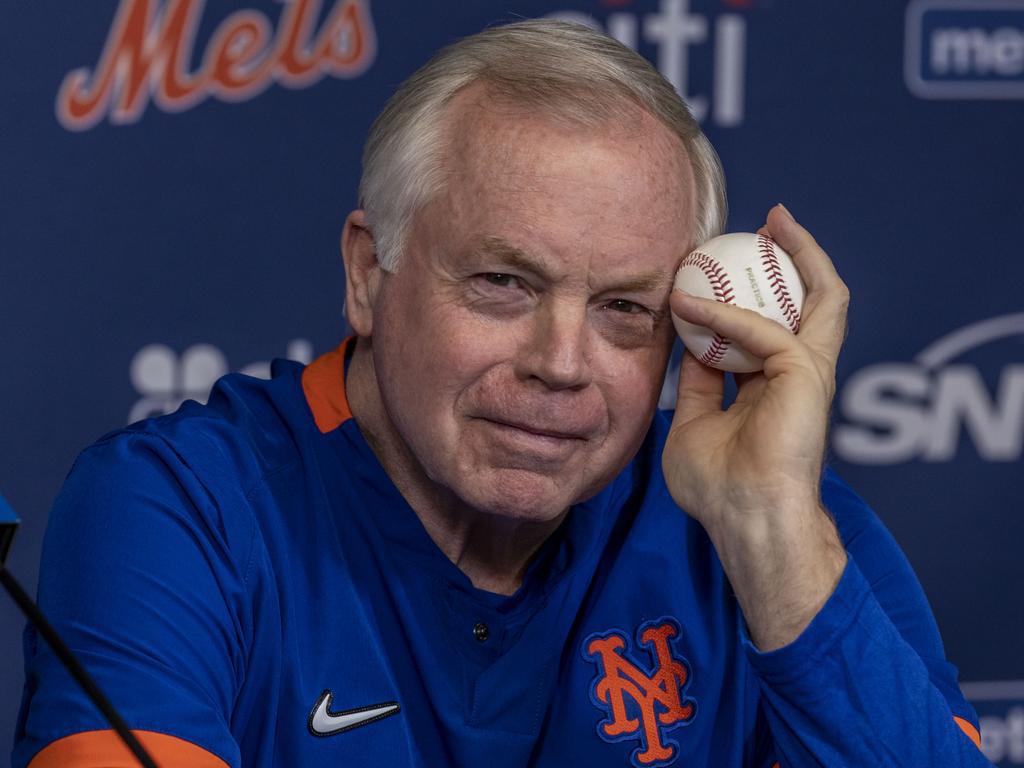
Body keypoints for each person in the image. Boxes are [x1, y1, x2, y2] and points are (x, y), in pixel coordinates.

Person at [13, 19, 991, 768]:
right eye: (502, 284)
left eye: (623, 306)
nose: (560, 361)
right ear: (367, 272)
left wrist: (775, 539)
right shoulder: (177, 506)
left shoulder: (772, 526)